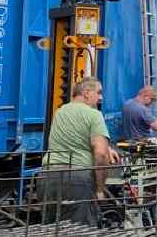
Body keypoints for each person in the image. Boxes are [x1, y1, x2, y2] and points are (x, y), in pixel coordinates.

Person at [42, 77, 120, 225]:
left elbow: (75, 136)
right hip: (77, 180)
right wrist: (100, 189)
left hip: (48, 176)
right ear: (87, 93)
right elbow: (100, 155)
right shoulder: (94, 115)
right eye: (99, 92)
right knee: (79, 232)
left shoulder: (60, 112)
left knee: (52, 231)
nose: (101, 98)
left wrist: (107, 147)